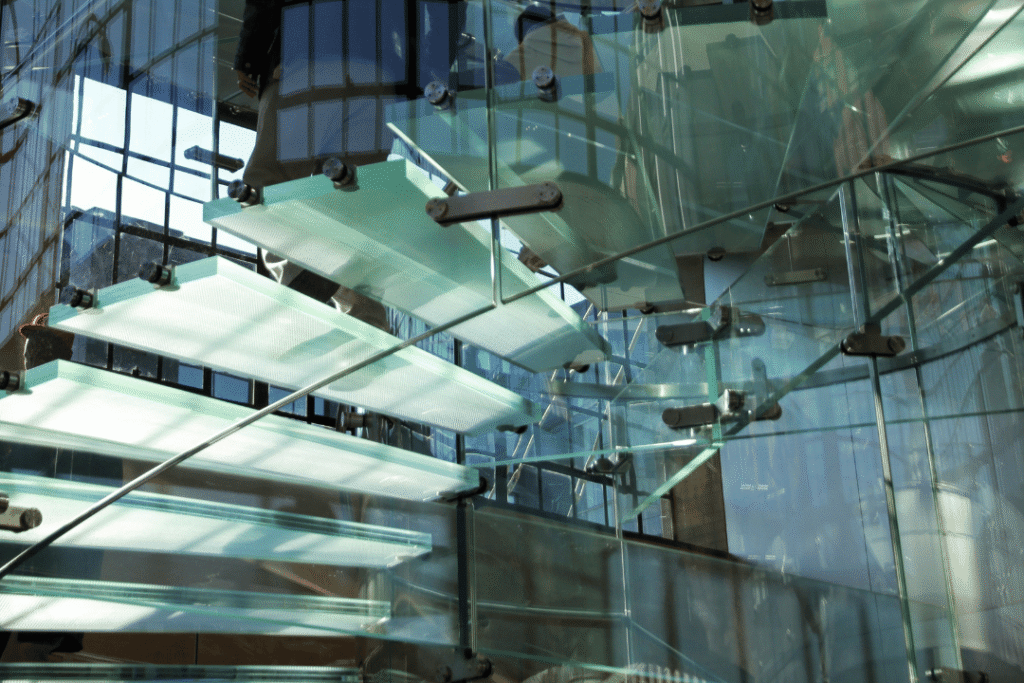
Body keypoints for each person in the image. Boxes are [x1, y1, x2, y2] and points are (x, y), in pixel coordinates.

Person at [234, 0, 465, 331]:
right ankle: (366, 322)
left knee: (268, 184)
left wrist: (248, 56)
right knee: (356, 201)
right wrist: (426, 70)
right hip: (377, 75)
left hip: (305, 58)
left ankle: (299, 275)